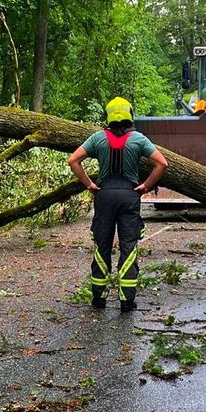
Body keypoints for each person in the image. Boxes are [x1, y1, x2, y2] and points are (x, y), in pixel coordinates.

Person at [68, 97, 168, 310]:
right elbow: (162, 163)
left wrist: (89, 184)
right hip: (129, 196)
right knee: (128, 247)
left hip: (104, 195)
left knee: (102, 245)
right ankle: (126, 301)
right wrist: (146, 186)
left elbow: (73, 161)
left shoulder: (97, 138)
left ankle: (99, 298)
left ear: (109, 115)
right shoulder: (139, 139)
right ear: (129, 115)